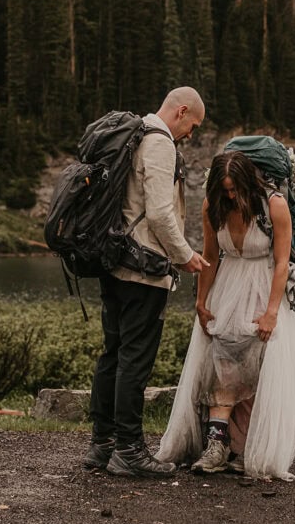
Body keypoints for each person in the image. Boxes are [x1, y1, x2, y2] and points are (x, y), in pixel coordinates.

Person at [157, 150, 295, 481]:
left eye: (235, 189)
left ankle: (248, 447)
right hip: (226, 290)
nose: (231, 196)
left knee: (261, 370)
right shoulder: (213, 205)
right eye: (225, 190)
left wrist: (271, 313)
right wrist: (201, 301)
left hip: (265, 289)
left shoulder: (274, 205)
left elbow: (281, 262)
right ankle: (217, 446)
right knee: (223, 367)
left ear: (248, 183)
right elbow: (210, 255)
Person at [83, 87, 208, 478]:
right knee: (134, 360)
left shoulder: (133, 135)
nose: (191, 134)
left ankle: (101, 445)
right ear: (182, 111)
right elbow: (159, 213)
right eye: (193, 126)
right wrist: (184, 256)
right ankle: (129, 450)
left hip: (115, 261)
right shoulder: (158, 142)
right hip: (143, 267)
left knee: (113, 353)